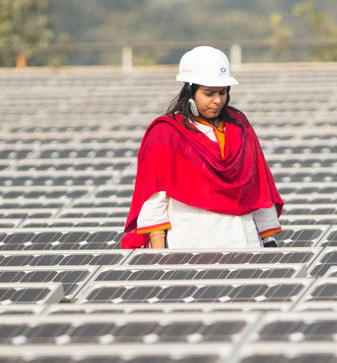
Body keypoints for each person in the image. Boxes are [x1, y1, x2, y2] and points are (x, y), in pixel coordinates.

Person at [122, 45, 284, 250]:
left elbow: (257, 184)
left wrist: (268, 238)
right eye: (208, 93)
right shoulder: (167, 133)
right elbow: (155, 196)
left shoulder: (239, 125)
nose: (217, 100)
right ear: (190, 91)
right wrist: (159, 254)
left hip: (244, 242)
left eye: (222, 92)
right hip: (191, 246)